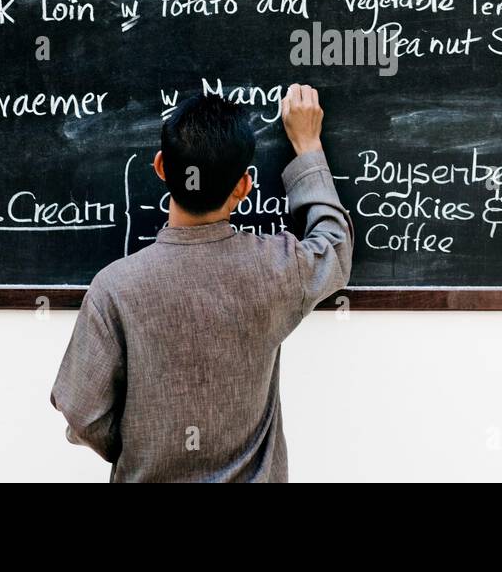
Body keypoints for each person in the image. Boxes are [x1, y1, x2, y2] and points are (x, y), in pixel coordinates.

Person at [51, 83, 353, 482]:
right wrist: (309, 147)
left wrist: (143, 446)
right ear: (243, 188)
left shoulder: (115, 288)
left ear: (161, 167)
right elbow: (334, 244)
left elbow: (82, 410)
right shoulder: (279, 268)